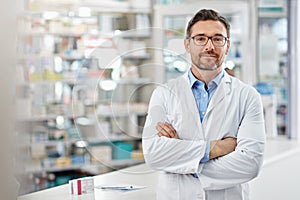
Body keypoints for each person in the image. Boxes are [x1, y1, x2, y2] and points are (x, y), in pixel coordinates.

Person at [142, 9, 266, 200]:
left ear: (227, 45)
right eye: (200, 38)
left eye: (217, 39)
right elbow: (154, 154)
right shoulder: (164, 94)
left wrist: (183, 160)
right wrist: (216, 149)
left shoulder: (247, 96)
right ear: (187, 44)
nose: (209, 46)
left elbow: (250, 164)